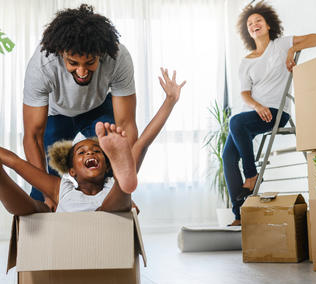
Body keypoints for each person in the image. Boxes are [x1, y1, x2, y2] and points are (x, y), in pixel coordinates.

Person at [0, 69, 185, 215]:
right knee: (34, 209)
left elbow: (143, 143)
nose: (90, 153)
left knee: (113, 204)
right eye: (81, 152)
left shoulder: (109, 184)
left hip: (110, 209)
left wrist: (170, 101)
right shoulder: (60, 188)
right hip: (70, 227)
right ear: (71, 171)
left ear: (106, 166)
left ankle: (124, 182)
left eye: (97, 151)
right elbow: (15, 162)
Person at [23, 4, 138, 209]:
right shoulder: (42, 65)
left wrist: (123, 194)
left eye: (90, 62)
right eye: (73, 63)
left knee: (109, 154)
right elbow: (32, 136)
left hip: (98, 108)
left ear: (101, 54)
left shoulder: (118, 57)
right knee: (42, 189)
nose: (82, 71)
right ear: (60, 53)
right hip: (56, 114)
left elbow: (127, 125)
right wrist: (46, 195)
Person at [223, 1, 316, 226]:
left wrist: (292, 48)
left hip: (276, 112)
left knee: (236, 122)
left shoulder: (281, 45)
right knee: (228, 156)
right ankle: (240, 215)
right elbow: (244, 94)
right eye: (250, 23)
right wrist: (257, 106)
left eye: (258, 20)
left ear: (268, 25)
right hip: (252, 115)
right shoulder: (246, 62)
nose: (254, 24)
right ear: (247, 30)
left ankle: (251, 175)